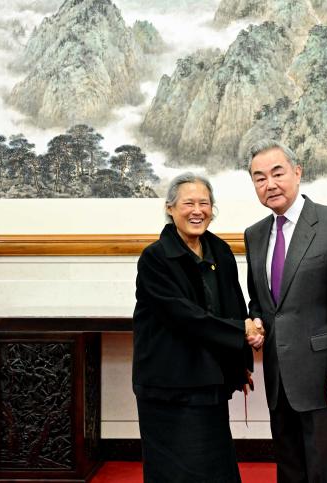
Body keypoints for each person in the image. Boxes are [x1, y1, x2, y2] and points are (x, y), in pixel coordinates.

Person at [244, 140, 327, 483]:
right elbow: (259, 301)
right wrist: (256, 321)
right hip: (279, 377)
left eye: (278, 173)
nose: (270, 184)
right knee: (290, 470)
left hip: (324, 376)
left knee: (326, 473)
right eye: (259, 178)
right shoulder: (254, 235)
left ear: (298, 172)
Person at [132, 172, 260, 483]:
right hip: (170, 383)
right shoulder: (155, 258)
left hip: (210, 380)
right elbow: (184, 317)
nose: (197, 210)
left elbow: (234, 305)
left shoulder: (220, 250)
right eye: (188, 203)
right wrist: (240, 331)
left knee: (215, 467)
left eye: (204, 203)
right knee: (176, 471)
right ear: (170, 208)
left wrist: (241, 363)